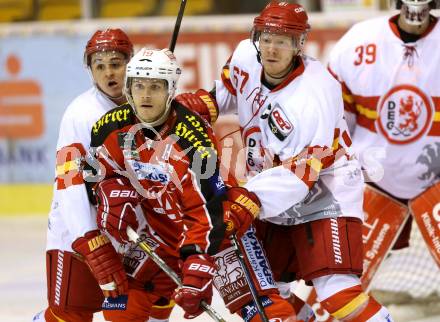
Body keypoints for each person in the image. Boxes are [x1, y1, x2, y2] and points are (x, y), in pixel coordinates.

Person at [176, 1, 393, 321]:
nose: (271, 48)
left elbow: (302, 172)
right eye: (266, 38)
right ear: (256, 37)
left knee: (337, 290)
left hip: (325, 191)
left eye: (282, 41)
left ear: (298, 45)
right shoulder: (245, 57)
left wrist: (246, 201)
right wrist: (186, 109)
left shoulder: (315, 93)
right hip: (270, 187)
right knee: (266, 289)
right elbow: (224, 95)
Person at [89, 47, 299, 322]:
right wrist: (106, 192)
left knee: (262, 310)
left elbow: (209, 206)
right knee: (122, 303)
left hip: (220, 230)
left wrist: (199, 259)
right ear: (128, 89)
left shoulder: (192, 138)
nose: (146, 95)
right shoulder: (108, 127)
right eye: (139, 85)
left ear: (171, 90)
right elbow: (95, 173)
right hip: (159, 231)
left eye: (156, 86)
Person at [327, 0, 440, 274]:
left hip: (436, 183)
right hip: (372, 183)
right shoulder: (358, 40)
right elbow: (334, 120)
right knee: (345, 275)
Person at [32, 29, 134, 322]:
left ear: (131, 62)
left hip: (124, 230)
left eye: (116, 63)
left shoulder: (144, 102)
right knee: (71, 315)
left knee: (135, 311)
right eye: (99, 66)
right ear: (90, 70)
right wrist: (88, 238)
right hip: (76, 230)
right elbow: (67, 182)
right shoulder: (80, 114)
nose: (109, 73)